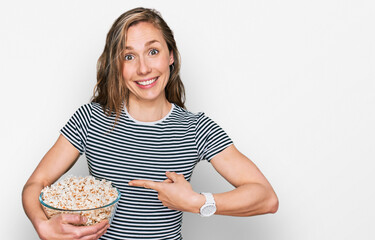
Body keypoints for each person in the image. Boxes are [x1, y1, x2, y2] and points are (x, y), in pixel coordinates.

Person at [22, 7, 278, 240]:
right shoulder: (90, 119)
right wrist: (41, 224)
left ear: (171, 56)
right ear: (117, 66)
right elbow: (36, 183)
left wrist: (196, 202)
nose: (143, 68)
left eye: (153, 52)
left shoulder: (196, 129)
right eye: (129, 57)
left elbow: (266, 197)